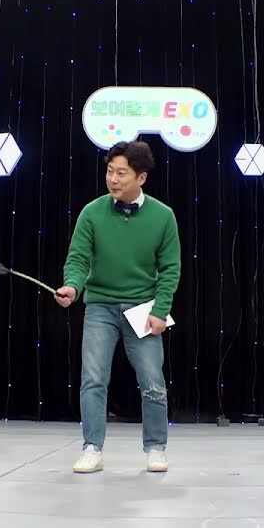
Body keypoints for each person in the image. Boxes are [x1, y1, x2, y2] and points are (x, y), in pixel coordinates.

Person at [54, 140, 181, 474]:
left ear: (141, 177)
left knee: (152, 380)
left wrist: (160, 310)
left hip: (143, 308)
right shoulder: (92, 212)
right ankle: (92, 448)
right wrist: (73, 286)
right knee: (93, 378)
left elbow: (170, 268)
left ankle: (156, 447)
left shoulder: (163, 216)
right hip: (100, 305)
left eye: (121, 173)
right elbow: (78, 258)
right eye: (110, 171)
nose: (113, 178)